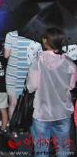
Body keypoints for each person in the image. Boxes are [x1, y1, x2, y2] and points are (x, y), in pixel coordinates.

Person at [26, 27, 77, 157]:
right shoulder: (70, 64)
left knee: (41, 151)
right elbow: (71, 86)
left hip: (42, 114)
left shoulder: (38, 63)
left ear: (45, 41)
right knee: (63, 150)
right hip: (63, 112)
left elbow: (31, 87)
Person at [3, 29, 38, 117]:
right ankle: (25, 124)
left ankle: (13, 125)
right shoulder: (36, 36)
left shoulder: (11, 35)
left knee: (12, 104)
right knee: (29, 102)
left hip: (13, 74)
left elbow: (6, 55)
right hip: (30, 74)